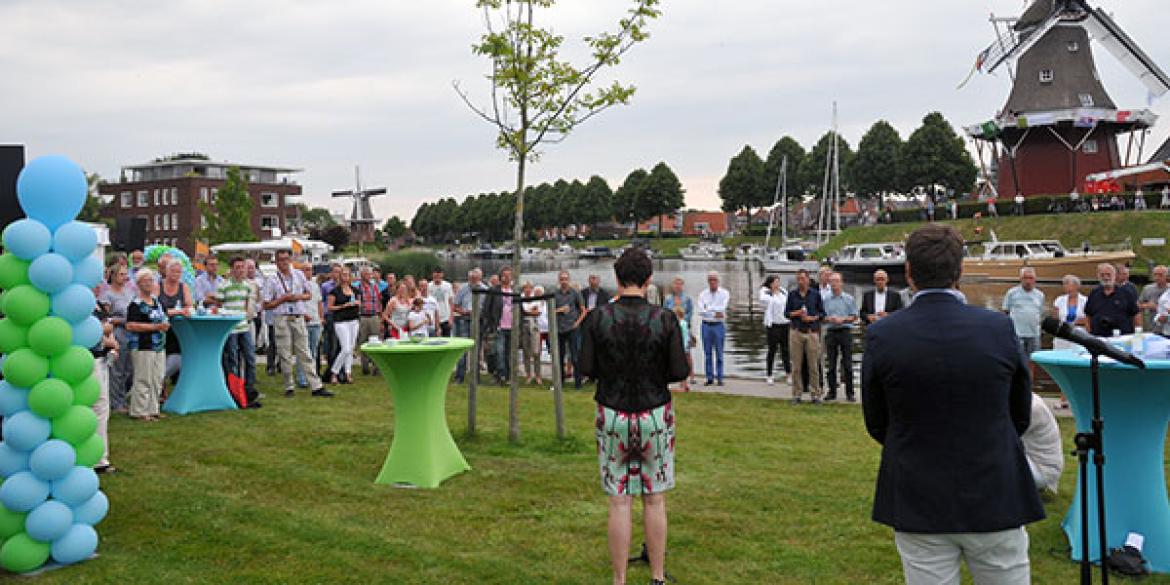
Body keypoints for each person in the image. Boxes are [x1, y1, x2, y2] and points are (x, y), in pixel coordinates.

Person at [862, 223, 1043, 585]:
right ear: (959, 271)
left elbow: (877, 420)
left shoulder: (884, 334)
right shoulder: (997, 328)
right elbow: (1020, 412)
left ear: (908, 272)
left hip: (919, 491)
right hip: (994, 486)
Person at [578, 248, 689, 585]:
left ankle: (620, 579)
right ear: (649, 279)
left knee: (619, 500)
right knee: (654, 497)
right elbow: (678, 370)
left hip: (613, 413)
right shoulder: (665, 319)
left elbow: (585, 368)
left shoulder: (598, 318)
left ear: (616, 278)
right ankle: (657, 576)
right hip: (654, 412)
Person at [264, 250, 333, 398]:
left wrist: (297, 297)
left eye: (286, 259)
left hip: (298, 316)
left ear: (290, 260)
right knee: (285, 353)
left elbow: (308, 294)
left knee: (305, 351)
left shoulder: (299, 275)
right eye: (280, 260)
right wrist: (282, 299)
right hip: (282, 317)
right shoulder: (272, 280)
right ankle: (289, 386)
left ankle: (316, 386)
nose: (284, 262)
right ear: (276, 262)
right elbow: (266, 304)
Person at [126, 269, 169, 422]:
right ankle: (139, 410)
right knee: (143, 378)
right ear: (138, 284)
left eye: (151, 280)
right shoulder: (135, 304)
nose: (149, 283)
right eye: (145, 281)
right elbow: (130, 325)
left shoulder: (157, 302)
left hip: (159, 345)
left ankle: (153, 409)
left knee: (157, 378)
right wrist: (155, 327)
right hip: (143, 345)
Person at [220, 257, 262, 408]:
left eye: (242, 267)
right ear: (231, 269)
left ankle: (249, 388)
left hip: (244, 326)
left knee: (250, 357)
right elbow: (219, 303)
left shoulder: (248, 286)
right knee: (233, 360)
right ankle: (235, 390)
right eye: (237, 267)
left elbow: (249, 304)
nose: (240, 270)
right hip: (231, 328)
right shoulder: (223, 286)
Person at [100, 264, 136, 413]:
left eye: (126, 274)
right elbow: (106, 318)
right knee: (117, 369)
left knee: (129, 369)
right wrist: (122, 321)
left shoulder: (129, 292)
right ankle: (116, 403)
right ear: (113, 276)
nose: (125, 277)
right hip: (118, 332)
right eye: (121, 274)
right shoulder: (107, 295)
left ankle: (122, 397)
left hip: (131, 332)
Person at [786, 269, 825, 404]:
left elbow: (822, 314)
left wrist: (813, 318)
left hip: (811, 332)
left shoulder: (815, 295)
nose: (800, 281)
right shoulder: (792, 295)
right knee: (796, 366)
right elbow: (786, 313)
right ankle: (797, 394)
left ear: (808, 279)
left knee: (813, 365)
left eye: (802, 278)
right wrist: (797, 313)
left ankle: (816, 394)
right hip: (796, 332)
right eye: (798, 279)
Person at [90, 290, 118, 473]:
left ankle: (101, 457)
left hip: (102, 358)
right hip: (88, 359)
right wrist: (107, 334)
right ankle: (95, 458)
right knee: (96, 405)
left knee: (102, 407)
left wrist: (112, 344)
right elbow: (95, 330)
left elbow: (108, 326)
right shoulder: (78, 302)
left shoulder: (97, 304)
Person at [158, 261, 194, 394]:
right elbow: (156, 308)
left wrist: (180, 311)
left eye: (179, 272)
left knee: (175, 359)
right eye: (173, 271)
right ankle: (159, 389)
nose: (176, 274)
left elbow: (189, 306)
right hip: (160, 329)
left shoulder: (183, 287)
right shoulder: (158, 286)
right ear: (166, 272)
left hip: (177, 330)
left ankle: (163, 384)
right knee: (160, 360)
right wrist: (176, 311)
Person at [823, 273, 859, 402]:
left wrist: (843, 319)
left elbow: (854, 316)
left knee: (848, 364)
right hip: (831, 331)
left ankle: (850, 392)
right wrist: (829, 318)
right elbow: (822, 317)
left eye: (836, 281)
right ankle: (832, 391)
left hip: (845, 331)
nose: (834, 284)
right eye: (832, 281)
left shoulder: (848, 299)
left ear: (841, 283)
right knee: (831, 364)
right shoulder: (825, 299)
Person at [1022, 393, 1064, 494]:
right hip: (1037, 465)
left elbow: (1004, 437)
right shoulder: (1028, 399)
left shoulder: (1031, 407)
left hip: (1043, 471)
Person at [481, 266, 516, 385]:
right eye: (505, 275)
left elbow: (519, 309)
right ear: (501, 277)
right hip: (499, 326)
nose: (507, 277)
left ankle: (507, 376)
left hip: (511, 326)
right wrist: (490, 325)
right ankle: (500, 374)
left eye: (509, 275)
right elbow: (486, 309)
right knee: (499, 352)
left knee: (508, 353)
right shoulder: (494, 290)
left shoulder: (514, 291)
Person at [1002, 267, 1045, 362]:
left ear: (1035, 279)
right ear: (1020, 279)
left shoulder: (1040, 295)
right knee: (1017, 360)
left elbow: (1040, 314)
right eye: (1025, 278)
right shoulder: (1012, 293)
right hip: (1017, 334)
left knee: (1034, 360)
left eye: (1030, 278)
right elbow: (1005, 313)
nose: (1028, 281)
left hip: (1034, 334)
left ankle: (1030, 377)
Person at [1085, 263, 1140, 336]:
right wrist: (1089, 334)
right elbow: (1088, 315)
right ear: (1098, 276)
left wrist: (1138, 334)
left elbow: (1136, 314)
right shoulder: (1094, 293)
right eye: (1102, 275)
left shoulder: (1126, 293)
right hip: (1098, 338)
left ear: (1115, 276)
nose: (1105, 277)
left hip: (1122, 337)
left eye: (1108, 274)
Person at [453, 268, 487, 384]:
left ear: (479, 279)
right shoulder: (463, 289)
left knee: (477, 350)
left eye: (475, 279)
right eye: (471, 279)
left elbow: (487, 307)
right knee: (462, 350)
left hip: (478, 321)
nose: (473, 281)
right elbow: (455, 305)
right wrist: (463, 311)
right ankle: (459, 377)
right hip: (465, 320)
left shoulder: (485, 290)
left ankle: (476, 378)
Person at [327, 267, 361, 385]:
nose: (345, 277)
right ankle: (334, 372)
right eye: (343, 275)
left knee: (351, 348)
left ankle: (348, 372)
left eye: (347, 275)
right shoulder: (335, 291)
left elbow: (358, 303)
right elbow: (330, 307)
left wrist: (357, 304)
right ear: (340, 276)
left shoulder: (355, 290)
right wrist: (343, 306)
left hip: (353, 320)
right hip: (341, 321)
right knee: (345, 348)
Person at [697, 271, 729, 386]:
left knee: (719, 353)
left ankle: (720, 377)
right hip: (706, 325)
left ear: (718, 281)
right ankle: (709, 377)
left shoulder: (724, 293)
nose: (712, 282)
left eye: (714, 280)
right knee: (707, 353)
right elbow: (701, 311)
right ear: (708, 281)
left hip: (718, 326)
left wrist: (708, 309)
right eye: (710, 280)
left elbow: (722, 308)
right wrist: (713, 312)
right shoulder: (702, 294)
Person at [662, 277, 695, 388]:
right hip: (671, 328)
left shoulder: (687, 299)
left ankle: (691, 375)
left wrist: (683, 320)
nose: (677, 286)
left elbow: (690, 312)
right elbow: (665, 311)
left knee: (687, 353)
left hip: (683, 327)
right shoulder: (668, 299)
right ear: (673, 285)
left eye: (680, 284)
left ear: (682, 285)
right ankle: (670, 375)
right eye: (676, 284)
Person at [296, 264, 324, 389]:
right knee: (303, 351)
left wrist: (321, 317)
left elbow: (319, 302)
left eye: (310, 270)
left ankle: (311, 376)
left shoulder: (315, 285)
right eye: (306, 270)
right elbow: (296, 303)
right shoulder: (297, 285)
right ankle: (301, 378)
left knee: (313, 351)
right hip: (303, 322)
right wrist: (303, 314)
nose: (309, 272)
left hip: (316, 322)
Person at [760, 275, 790, 385]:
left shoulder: (783, 291)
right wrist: (772, 292)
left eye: (778, 282)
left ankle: (788, 374)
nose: (778, 284)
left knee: (785, 350)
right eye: (775, 282)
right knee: (772, 350)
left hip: (785, 324)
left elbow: (788, 302)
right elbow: (763, 300)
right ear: (771, 283)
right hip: (773, 325)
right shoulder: (765, 292)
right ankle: (769, 374)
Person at [355, 267, 384, 376]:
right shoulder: (357, 287)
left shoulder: (374, 287)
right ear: (362, 275)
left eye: (370, 274)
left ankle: (377, 368)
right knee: (363, 342)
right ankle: (365, 367)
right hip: (362, 317)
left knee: (376, 342)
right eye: (367, 274)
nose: (369, 276)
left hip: (374, 316)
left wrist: (380, 316)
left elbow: (379, 301)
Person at [1052, 275, 1089, 350]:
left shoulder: (1085, 300)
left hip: (1079, 333)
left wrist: (1076, 323)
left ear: (1076, 286)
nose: (1065, 287)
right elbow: (1055, 318)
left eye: (1068, 284)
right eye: (1064, 284)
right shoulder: (1059, 300)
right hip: (1062, 334)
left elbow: (1087, 319)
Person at [520, 282, 543, 385]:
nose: (528, 290)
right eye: (526, 288)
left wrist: (527, 311)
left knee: (536, 351)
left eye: (529, 288)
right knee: (526, 351)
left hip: (534, 325)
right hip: (523, 325)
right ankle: (528, 375)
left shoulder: (536, 298)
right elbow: (522, 311)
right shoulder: (520, 298)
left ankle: (538, 375)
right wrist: (530, 311)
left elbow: (538, 312)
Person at [1138, 265, 1169, 332]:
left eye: (1160, 275)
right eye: (1155, 274)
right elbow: (1138, 306)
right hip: (1151, 327)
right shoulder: (1147, 288)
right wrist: (1146, 305)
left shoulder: (1169, 290)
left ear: (1167, 276)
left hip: (1167, 328)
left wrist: (1157, 307)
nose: (1157, 277)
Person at [430, 268, 455, 337]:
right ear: (432, 275)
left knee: (446, 340)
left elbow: (451, 302)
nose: (437, 277)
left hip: (445, 318)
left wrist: (451, 318)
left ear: (442, 275)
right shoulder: (429, 286)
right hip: (433, 319)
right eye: (435, 275)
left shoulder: (448, 285)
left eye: (439, 275)